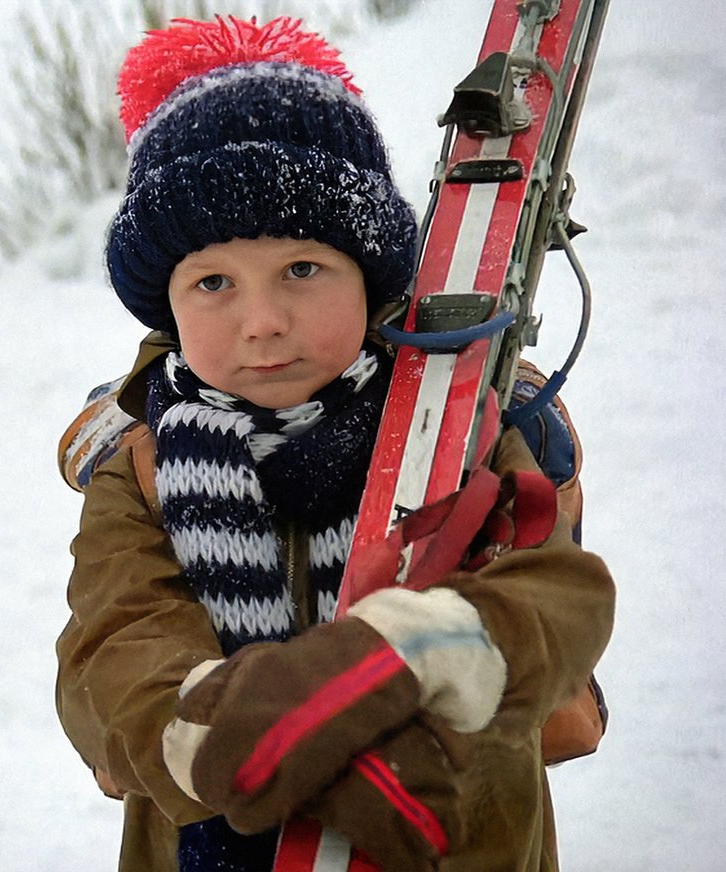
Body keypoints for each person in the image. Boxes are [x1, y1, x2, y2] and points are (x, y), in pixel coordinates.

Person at [55, 16, 614, 872]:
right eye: (213, 284)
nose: (263, 321)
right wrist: (253, 735)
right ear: (167, 307)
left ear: (369, 271)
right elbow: (112, 655)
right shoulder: (144, 464)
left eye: (303, 270)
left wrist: (402, 656)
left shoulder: (453, 418)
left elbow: (557, 597)